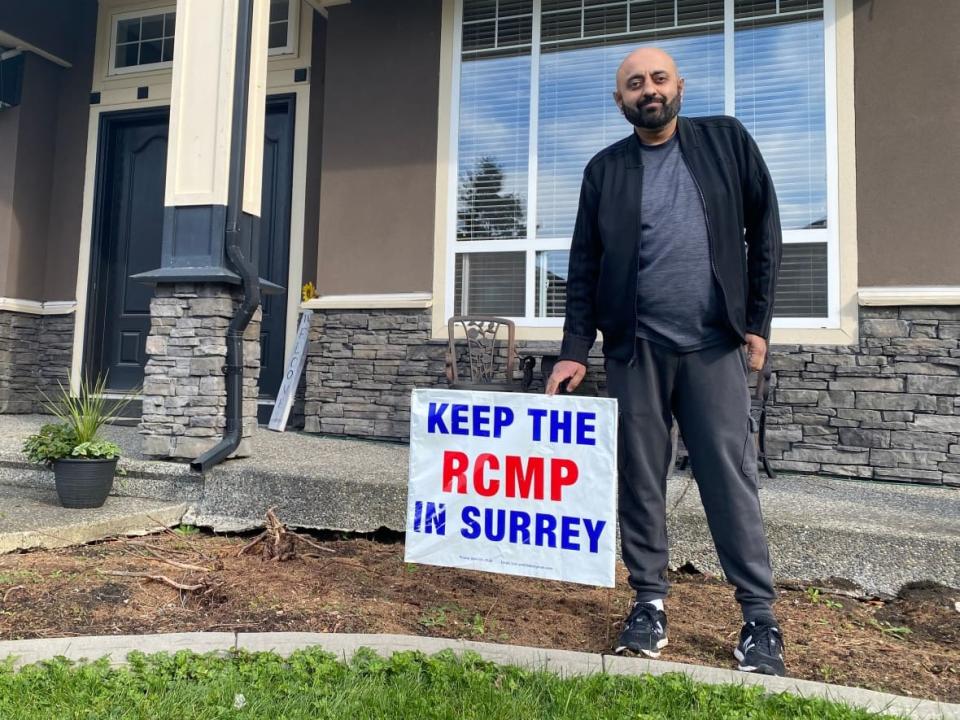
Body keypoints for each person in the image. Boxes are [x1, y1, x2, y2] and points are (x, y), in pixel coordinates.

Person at [545, 47, 785, 676]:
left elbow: (765, 232)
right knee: (641, 479)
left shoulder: (726, 142)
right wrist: (575, 351)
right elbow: (585, 268)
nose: (647, 90)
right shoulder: (605, 171)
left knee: (729, 480)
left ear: (680, 84)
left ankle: (759, 618)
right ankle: (649, 602)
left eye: (657, 79)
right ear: (619, 100)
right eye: (634, 84)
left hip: (713, 346)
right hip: (636, 350)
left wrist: (756, 323)